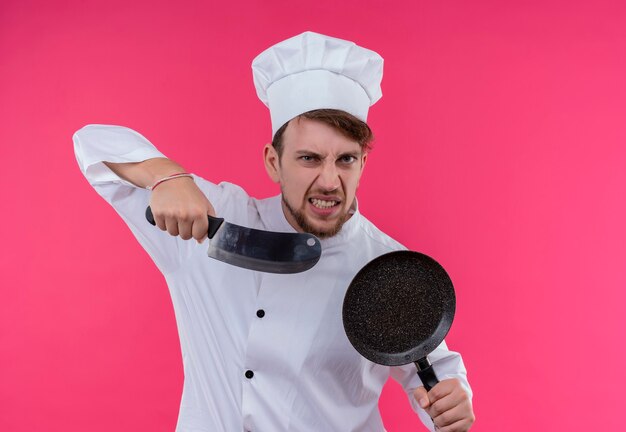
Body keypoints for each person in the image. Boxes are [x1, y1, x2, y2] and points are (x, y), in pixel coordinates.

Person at [74, 31, 475, 431]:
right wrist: (165, 176)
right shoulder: (213, 221)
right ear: (273, 161)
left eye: (346, 159)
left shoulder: (386, 266)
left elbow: (435, 371)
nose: (330, 181)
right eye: (309, 158)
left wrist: (451, 406)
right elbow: (91, 143)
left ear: (363, 163)